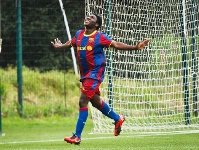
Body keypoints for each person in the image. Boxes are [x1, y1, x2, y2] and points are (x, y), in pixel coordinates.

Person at [51, 14, 150, 145]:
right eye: (87, 17)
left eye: (92, 18)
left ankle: (77, 136)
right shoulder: (79, 34)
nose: (87, 17)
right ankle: (117, 118)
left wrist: (135, 47)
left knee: (82, 101)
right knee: (96, 103)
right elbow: (72, 43)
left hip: (95, 74)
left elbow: (115, 44)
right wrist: (60, 46)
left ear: (96, 24)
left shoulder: (99, 36)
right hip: (85, 75)